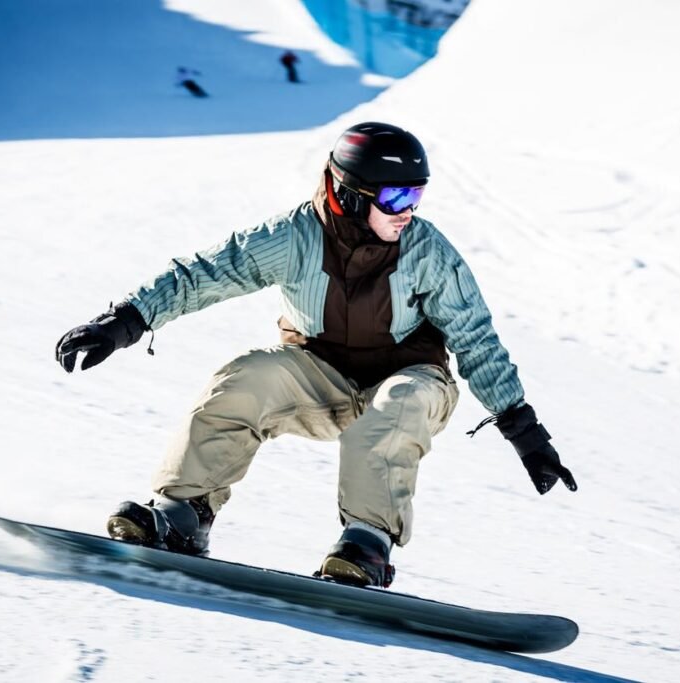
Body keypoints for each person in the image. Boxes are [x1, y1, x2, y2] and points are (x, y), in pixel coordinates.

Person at [55, 122, 577, 588]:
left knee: (397, 402)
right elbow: (208, 272)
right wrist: (125, 321)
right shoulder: (296, 236)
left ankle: (367, 545)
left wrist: (523, 431)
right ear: (351, 195)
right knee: (245, 378)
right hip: (320, 376)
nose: (408, 211)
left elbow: (475, 338)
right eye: (395, 196)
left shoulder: (427, 251)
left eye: (416, 195)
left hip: (413, 380)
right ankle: (183, 513)